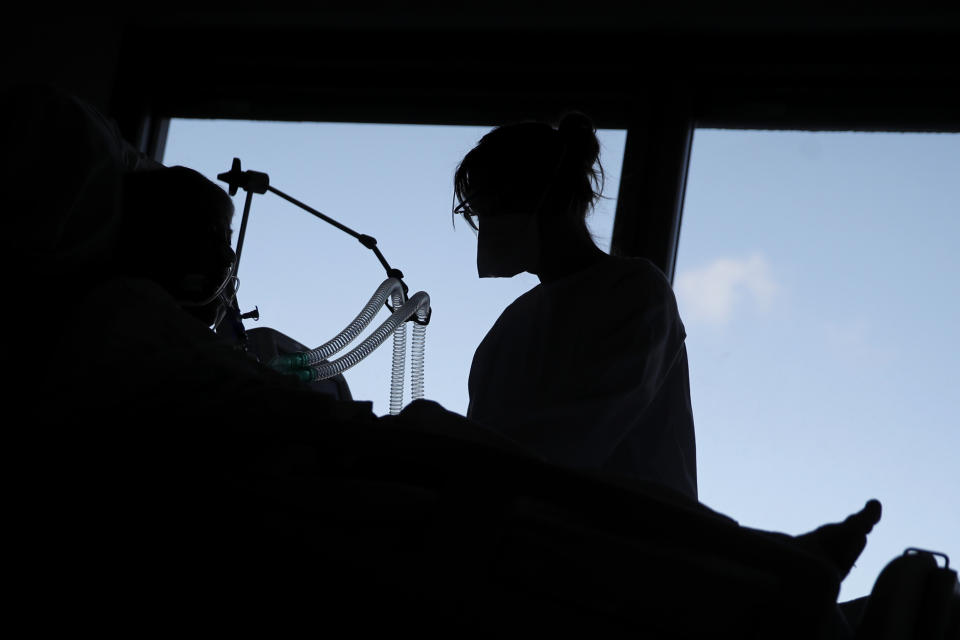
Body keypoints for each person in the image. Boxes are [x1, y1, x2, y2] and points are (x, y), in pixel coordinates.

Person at [455, 112, 698, 500]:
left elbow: (571, 443)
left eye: (495, 203)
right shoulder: (511, 327)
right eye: (478, 209)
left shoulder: (635, 292)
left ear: (553, 194)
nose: (487, 222)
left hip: (638, 545)